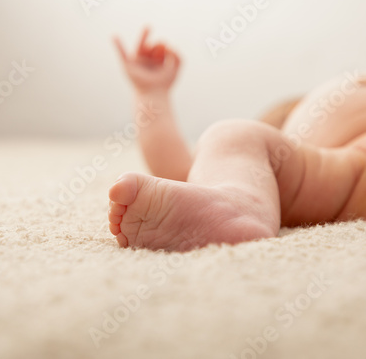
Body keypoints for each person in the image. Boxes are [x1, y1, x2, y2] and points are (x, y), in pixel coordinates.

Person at [107, 28, 366, 251]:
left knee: (228, 138)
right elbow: (178, 168)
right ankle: (238, 203)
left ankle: (236, 203)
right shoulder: (308, 170)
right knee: (230, 136)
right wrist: (150, 92)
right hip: (351, 169)